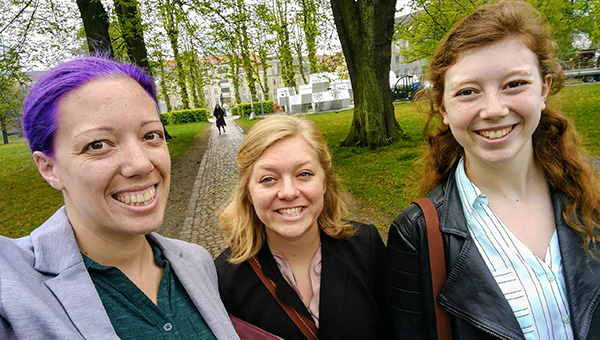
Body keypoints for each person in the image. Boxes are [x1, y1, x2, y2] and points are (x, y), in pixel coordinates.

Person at [385, 1, 600, 339]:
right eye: (468, 92)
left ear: (543, 89)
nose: (494, 109)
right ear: (442, 106)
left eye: (514, 84)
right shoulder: (417, 235)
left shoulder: (596, 190)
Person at [0, 57, 239, 339]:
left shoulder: (196, 263)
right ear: (50, 169)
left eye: (151, 135)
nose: (140, 164)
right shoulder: (13, 284)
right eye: (98, 145)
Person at [215, 115, 386, 340]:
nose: (288, 192)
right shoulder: (224, 281)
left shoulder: (366, 247)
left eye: (303, 174)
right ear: (248, 192)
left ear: (324, 181)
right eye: (268, 179)